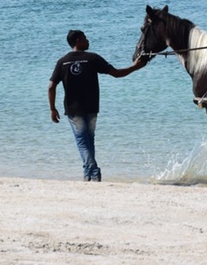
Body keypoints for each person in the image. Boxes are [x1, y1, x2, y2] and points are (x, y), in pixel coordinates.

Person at [48, 29, 146, 181]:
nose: (88, 41)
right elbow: (116, 73)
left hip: (73, 109)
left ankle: (91, 172)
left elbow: (51, 86)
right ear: (78, 40)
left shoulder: (62, 62)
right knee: (88, 140)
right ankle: (90, 173)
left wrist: (53, 109)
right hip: (91, 107)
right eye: (85, 38)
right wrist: (135, 66)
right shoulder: (92, 58)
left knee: (82, 141)